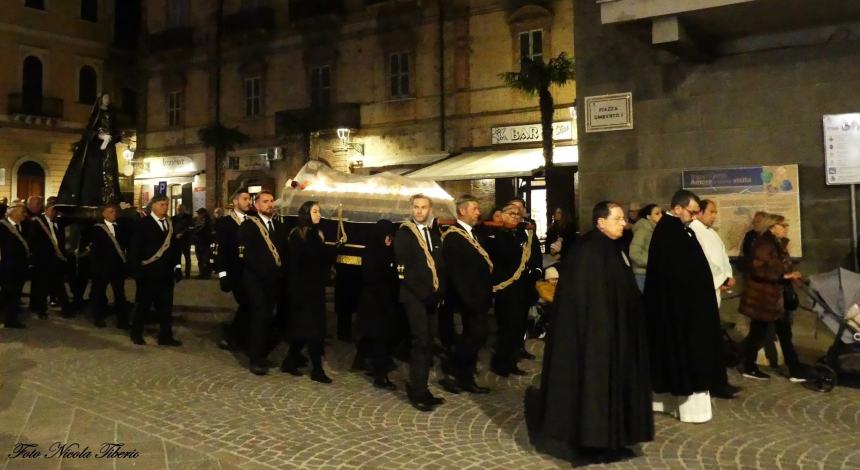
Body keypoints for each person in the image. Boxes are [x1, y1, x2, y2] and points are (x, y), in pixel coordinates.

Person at [526, 201, 653, 464]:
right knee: (593, 389)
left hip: (613, 336)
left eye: (622, 219)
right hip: (594, 338)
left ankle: (611, 439)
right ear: (600, 222)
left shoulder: (611, 248)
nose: (623, 223)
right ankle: (593, 441)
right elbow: (584, 299)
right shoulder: (588, 251)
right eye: (617, 219)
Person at [645, 190, 739, 425]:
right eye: (692, 211)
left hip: (688, 306)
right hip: (680, 311)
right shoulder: (669, 233)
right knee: (683, 355)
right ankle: (681, 405)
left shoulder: (679, 231)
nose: (695, 216)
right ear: (678, 209)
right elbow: (677, 275)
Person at [738, 213, 808, 382]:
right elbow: (758, 268)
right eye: (783, 225)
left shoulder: (776, 244)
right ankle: (750, 366)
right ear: (772, 227)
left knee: (781, 332)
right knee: (759, 332)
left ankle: (794, 369)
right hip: (765, 296)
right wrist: (783, 276)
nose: (786, 228)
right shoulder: (764, 244)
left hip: (775, 296)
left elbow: (779, 266)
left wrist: (790, 275)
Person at [394, 194, 446, 411]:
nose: (419, 211)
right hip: (414, 297)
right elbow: (404, 269)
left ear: (430, 209)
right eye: (415, 207)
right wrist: (425, 294)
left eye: (423, 207)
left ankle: (422, 387)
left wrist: (439, 292)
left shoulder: (433, 233)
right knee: (420, 342)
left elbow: (440, 265)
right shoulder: (405, 233)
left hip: (432, 297)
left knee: (429, 342)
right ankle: (417, 391)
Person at [441, 195, 492, 394]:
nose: (478, 213)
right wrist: (469, 299)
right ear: (462, 211)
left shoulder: (474, 234)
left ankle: (463, 376)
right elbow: (457, 273)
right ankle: (455, 372)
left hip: (479, 295)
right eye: (475, 209)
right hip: (468, 298)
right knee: (475, 336)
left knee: (476, 336)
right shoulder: (454, 237)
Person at [282, 201, 336, 383]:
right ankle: (317, 369)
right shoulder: (302, 235)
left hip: (313, 289)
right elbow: (300, 263)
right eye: (315, 211)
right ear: (306, 213)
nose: (318, 215)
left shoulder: (313, 234)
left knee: (306, 328)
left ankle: (290, 360)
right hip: (305, 290)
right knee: (313, 329)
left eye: (319, 211)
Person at [240, 191, 288, 376]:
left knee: (270, 318)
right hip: (256, 281)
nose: (270, 205)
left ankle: (263, 352)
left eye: (271, 201)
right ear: (257, 205)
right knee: (259, 318)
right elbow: (247, 255)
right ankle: (255, 359)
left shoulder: (278, 226)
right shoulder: (249, 225)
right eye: (265, 202)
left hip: (275, 281)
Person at [128, 195, 183, 346]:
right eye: (161, 204)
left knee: (166, 307)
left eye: (166, 205)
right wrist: (136, 271)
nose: (164, 207)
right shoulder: (143, 224)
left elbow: (175, 248)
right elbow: (134, 249)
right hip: (148, 272)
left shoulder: (170, 224)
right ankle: (136, 333)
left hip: (166, 274)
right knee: (142, 305)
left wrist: (177, 267)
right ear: (153, 206)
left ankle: (165, 336)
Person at [488, 204, 533, 377]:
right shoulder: (496, 236)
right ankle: (501, 363)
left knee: (518, 327)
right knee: (507, 328)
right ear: (502, 215)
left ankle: (511, 361)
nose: (515, 217)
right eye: (511, 214)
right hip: (505, 288)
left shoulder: (522, 233)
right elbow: (506, 256)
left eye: (518, 214)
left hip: (521, 288)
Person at [57, 93, 122, 207]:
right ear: (100, 100)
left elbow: (116, 129)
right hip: (97, 148)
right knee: (97, 169)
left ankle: (111, 196)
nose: (107, 100)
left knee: (110, 168)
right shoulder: (96, 114)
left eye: (108, 98)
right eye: (105, 97)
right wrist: (99, 136)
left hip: (109, 146)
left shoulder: (112, 114)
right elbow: (90, 130)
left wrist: (113, 136)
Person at [356, 219, 399, 390]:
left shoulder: (384, 251)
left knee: (379, 338)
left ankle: (370, 363)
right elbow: (373, 276)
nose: (390, 240)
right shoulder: (375, 252)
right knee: (380, 339)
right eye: (388, 236)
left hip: (381, 302)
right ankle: (380, 376)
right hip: (376, 303)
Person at [214, 189, 251, 351]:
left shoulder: (253, 220)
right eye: (244, 199)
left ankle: (240, 335)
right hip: (235, 271)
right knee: (246, 303)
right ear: (235, 202)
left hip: (251, 271)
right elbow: (220, 250)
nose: (248, 202)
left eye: (249, 199)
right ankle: (232, 336)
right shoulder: (225, 223)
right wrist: (222, 274)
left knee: (249, 304)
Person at [28, 200, 73, 319]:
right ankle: (41, 310)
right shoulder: (37, 222)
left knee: (59, 285)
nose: (54, 213)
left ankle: (66, 309)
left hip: (57, 260)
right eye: (52, 210)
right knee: (42, 287)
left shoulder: (58, 223)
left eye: (56, 211)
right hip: (43, 261)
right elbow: (32, 241)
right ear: (46, 210)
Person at [88, 203, 129, 328]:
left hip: (117, 267)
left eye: (115, 211)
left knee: (120, 294)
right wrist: (95, 268)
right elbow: (95, 251)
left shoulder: (120, 227)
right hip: (103, 267)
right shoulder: (97, 229)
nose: (114, 214)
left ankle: (122, 320)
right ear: (104, 214)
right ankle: (98, 317)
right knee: (99, 293)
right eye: (110, 212)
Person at [689, 199, 735, 307]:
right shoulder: (693, 230)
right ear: (700, 212)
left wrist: (727, 276)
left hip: (718, 285)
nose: (714, 216)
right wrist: (722, 280)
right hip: (705, 286)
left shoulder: (712, 232)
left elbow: (723, 257)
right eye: (711, 212)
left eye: (716, 213)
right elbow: (703, 260)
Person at [1, 204, 31, 328]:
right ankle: (10, 320)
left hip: (20, 267)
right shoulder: (2, 227)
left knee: (15, 293)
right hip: (7, 267)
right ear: (12, 213)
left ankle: (10, 315)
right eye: (22, 212)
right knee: (10, 293)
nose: (24, 214)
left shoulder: (23, 226)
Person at [629, 203, 661, 292]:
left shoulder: (654, 229)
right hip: (642, 275)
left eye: (661, 213)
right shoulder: (643, 229)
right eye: (657, 213)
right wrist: (652, 262)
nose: (661, 216)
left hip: (650, 273)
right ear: (648, 216)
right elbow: (634, 252)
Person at [172, 204, 194, 280]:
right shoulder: (174, 218)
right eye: (179, 209)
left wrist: (182, 233)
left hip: (186, 240)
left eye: (182, 209)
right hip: (176, 241)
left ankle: (187, 273)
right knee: (177, 258)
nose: (180, 210)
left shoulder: (188, 218)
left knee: (187, 257)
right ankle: (178, 272)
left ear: (184, 210)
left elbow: (190, 227)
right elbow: (172, 229)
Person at [193, 208, 213, 279]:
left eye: (200, 213)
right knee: (200, 260)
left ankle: (207, 275)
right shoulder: (196, 221)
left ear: (204, 213)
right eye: (198, 213)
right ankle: (201, 274)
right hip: (198, 242)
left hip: (205, 243)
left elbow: (205, 231)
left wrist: (196, 230)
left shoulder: (208, 221)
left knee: (206, 260)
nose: (199, 215)